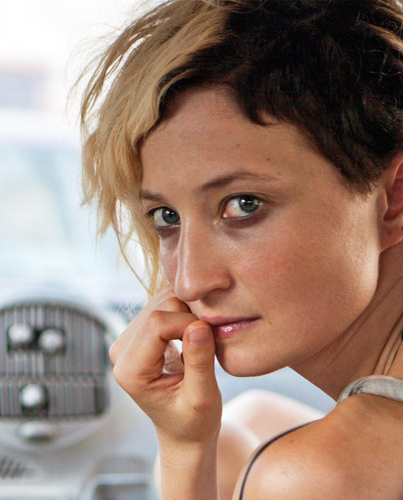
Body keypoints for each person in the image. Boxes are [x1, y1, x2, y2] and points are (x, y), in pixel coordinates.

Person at [78, 0, 403, 499]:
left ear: (394, 198)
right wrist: (191, 441)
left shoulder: (319, 474)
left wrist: (184, 460)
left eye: (243, 205)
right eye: (166, 218)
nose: (189, 281)